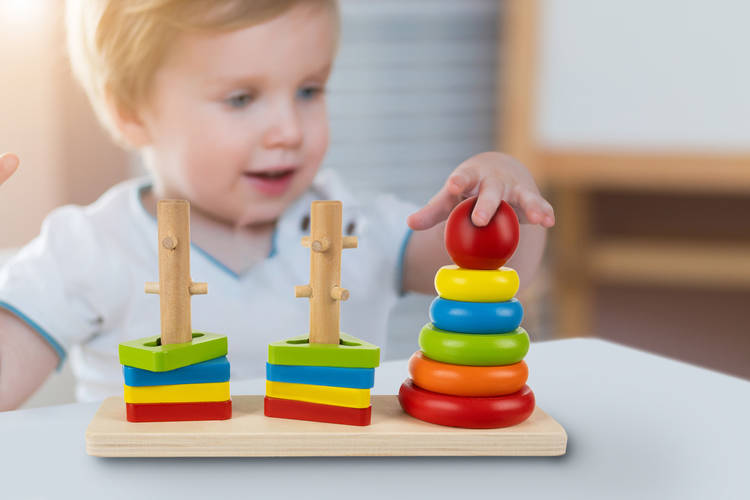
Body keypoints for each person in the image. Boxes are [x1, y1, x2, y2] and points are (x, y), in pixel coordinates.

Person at [0, 0, 555, 410]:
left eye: (309, 90)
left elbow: (500, 269)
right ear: (130, 111)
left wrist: (501, 197)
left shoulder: (358, 224)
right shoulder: (85, 249)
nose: (289, 130)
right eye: (241, 98)